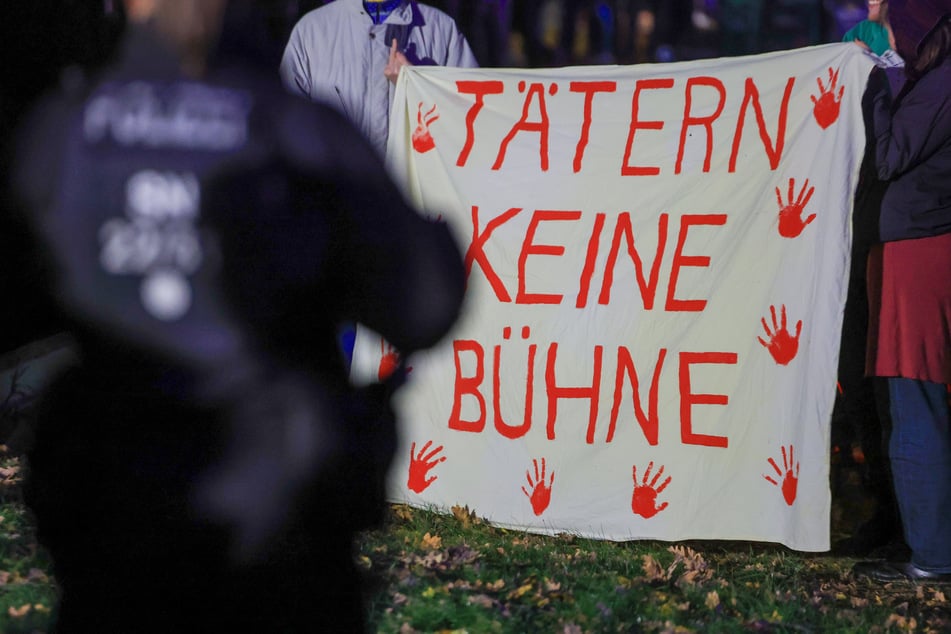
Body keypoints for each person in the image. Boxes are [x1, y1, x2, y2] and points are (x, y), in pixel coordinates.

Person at [11, 0, 466, 630]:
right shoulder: (302, 135)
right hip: (281, 550)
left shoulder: (62, 131)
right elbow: (427, 303)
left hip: (116, 551)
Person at [852, 0, 951, 584]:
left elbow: (889, 155)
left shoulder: (937, 83)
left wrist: (885, 73)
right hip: (901, 251)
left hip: (918, 257)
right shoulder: (927, 79)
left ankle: (935, 556)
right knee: (902, 402)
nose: (871, 14)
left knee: (915, 400)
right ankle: (919, 538)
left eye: (883, 9)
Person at [279, 0, 479, 158]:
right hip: (335, 199)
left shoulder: (441, 30)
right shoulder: (311, 32)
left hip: (415, 202)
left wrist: (418, 89)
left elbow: (474, 125)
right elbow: (284, 128)